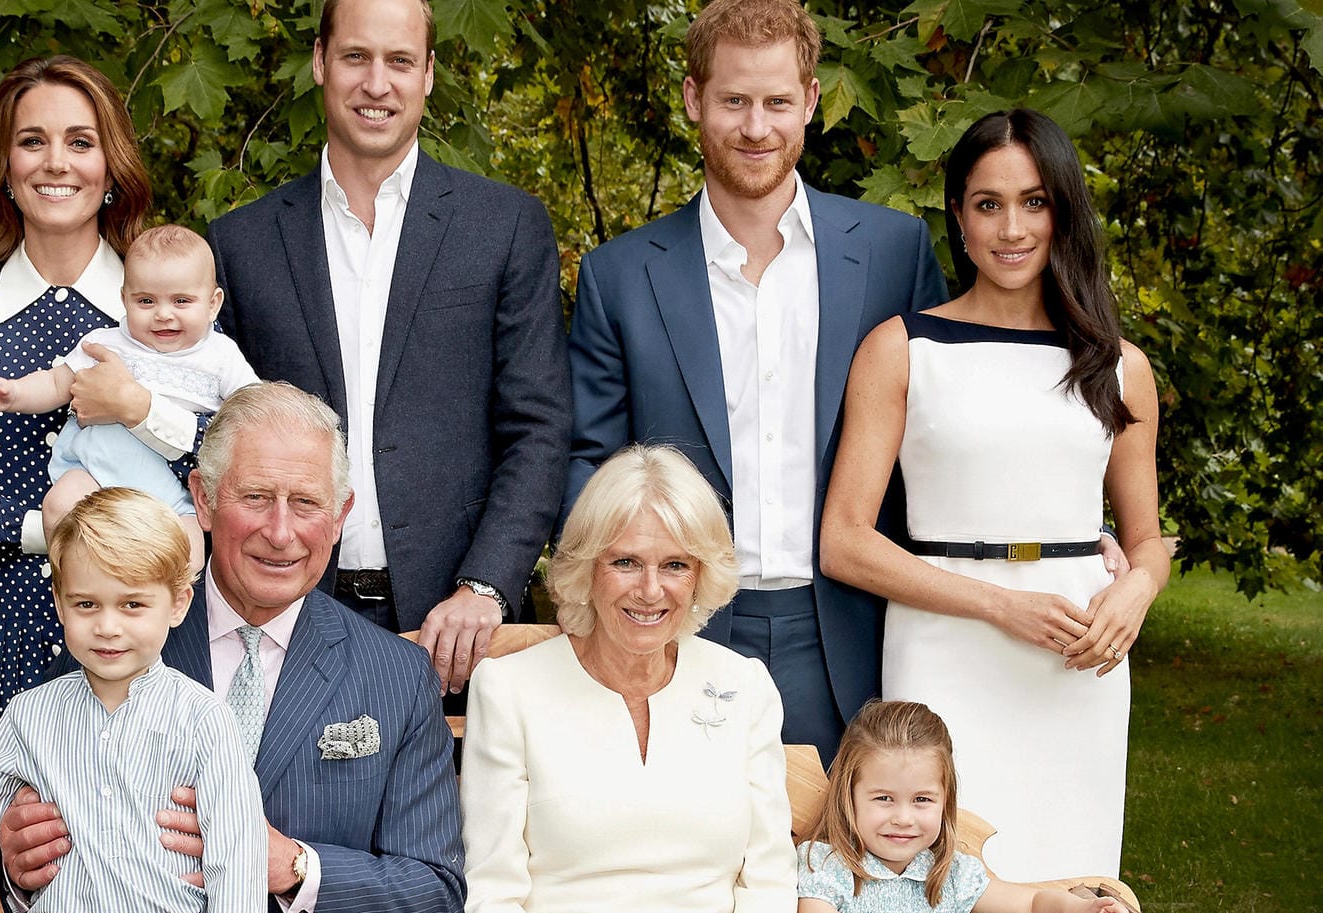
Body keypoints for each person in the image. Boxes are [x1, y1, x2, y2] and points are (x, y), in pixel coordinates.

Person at [563, 0, 949, 764]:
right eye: (733, 100)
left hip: (853, 624)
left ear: (809, 101)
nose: (755, 127)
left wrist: (1059, 535)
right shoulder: (619, 276)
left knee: (857, 873)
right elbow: (589, 460)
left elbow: (944, 432)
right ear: (692, 99)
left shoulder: (890, 253)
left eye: (776, 102)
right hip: (680, 627)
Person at [818, 109, 1167, 880]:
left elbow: (1145, 539)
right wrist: (1001, 603)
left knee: (1070, 873)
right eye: (987, 203)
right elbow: (843, 540)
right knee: (937, 874)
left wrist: (1137, 589)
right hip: (942, 647)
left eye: (1034, 202)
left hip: (1079, 664)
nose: (1011, 228)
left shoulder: (1118, 367)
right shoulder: (901, 348)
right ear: (957, 214)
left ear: (1063, 211)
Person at [207, 0, 571, 695]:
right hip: (284, 612)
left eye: (399, 60)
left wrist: (487, 584)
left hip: (453, 626)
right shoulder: (241, 243)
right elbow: (220, 432)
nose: (377, 83)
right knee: (276, 809)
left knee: (447, 808)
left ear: (428, 73)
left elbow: (539, 426)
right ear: (320, 61)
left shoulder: (502, 226)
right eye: (355, 57)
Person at [0, 382, 466, 913]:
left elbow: (435, 891)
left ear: (339, 518)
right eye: (256, 498)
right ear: (202, 498)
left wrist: (292, 866)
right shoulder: (113, 637)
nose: (280, 531)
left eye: (307, 503)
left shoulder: (397, 676)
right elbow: (35, 841)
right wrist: (21, 870)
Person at [0, 55, 207, 788]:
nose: (55, 162)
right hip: (10, 626)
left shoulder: (166, 299)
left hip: (155, 630)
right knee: (13, 856)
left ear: (111, 166)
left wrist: (139, 408)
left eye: (80, 141)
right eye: (32, 141)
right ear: (2, 162)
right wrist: (49, 528)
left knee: (157, 854)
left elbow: (226, 454)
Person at [0, 487, 267, 913]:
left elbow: (236, 860)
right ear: (58, 603)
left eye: (132, 604)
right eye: (86, 604)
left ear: (177, 604)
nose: (108, 627)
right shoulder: (28, 716)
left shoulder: (206, 719)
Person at [460, 444, 795, 913]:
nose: (651, 590)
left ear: (701, 574)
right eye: (625, 562)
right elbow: (492, 891)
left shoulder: (744, 685)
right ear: (586, 567)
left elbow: (770, 884)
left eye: (675, 564)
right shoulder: (508, 689)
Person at [0, 224, 261, 571]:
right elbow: (55, 384)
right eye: (146, 301)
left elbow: (253, 411)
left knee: (192, 557)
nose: (163, 313)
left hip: (172, 493)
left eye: (181, 301)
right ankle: (82, 583)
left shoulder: (221, 356)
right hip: (95, 477)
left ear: (213, 303)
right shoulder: (107, 342)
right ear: (124, 298)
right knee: (58, 506)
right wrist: (15, 393)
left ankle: (158, 617)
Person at [797, 700, 1127, 913]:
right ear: (848, 795)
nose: (903, 818)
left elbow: (1032, 902)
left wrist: (1083, 908)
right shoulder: (827, 868)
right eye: (884, 798)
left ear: (945, 801)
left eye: (922, 800)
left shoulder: (949, 874)